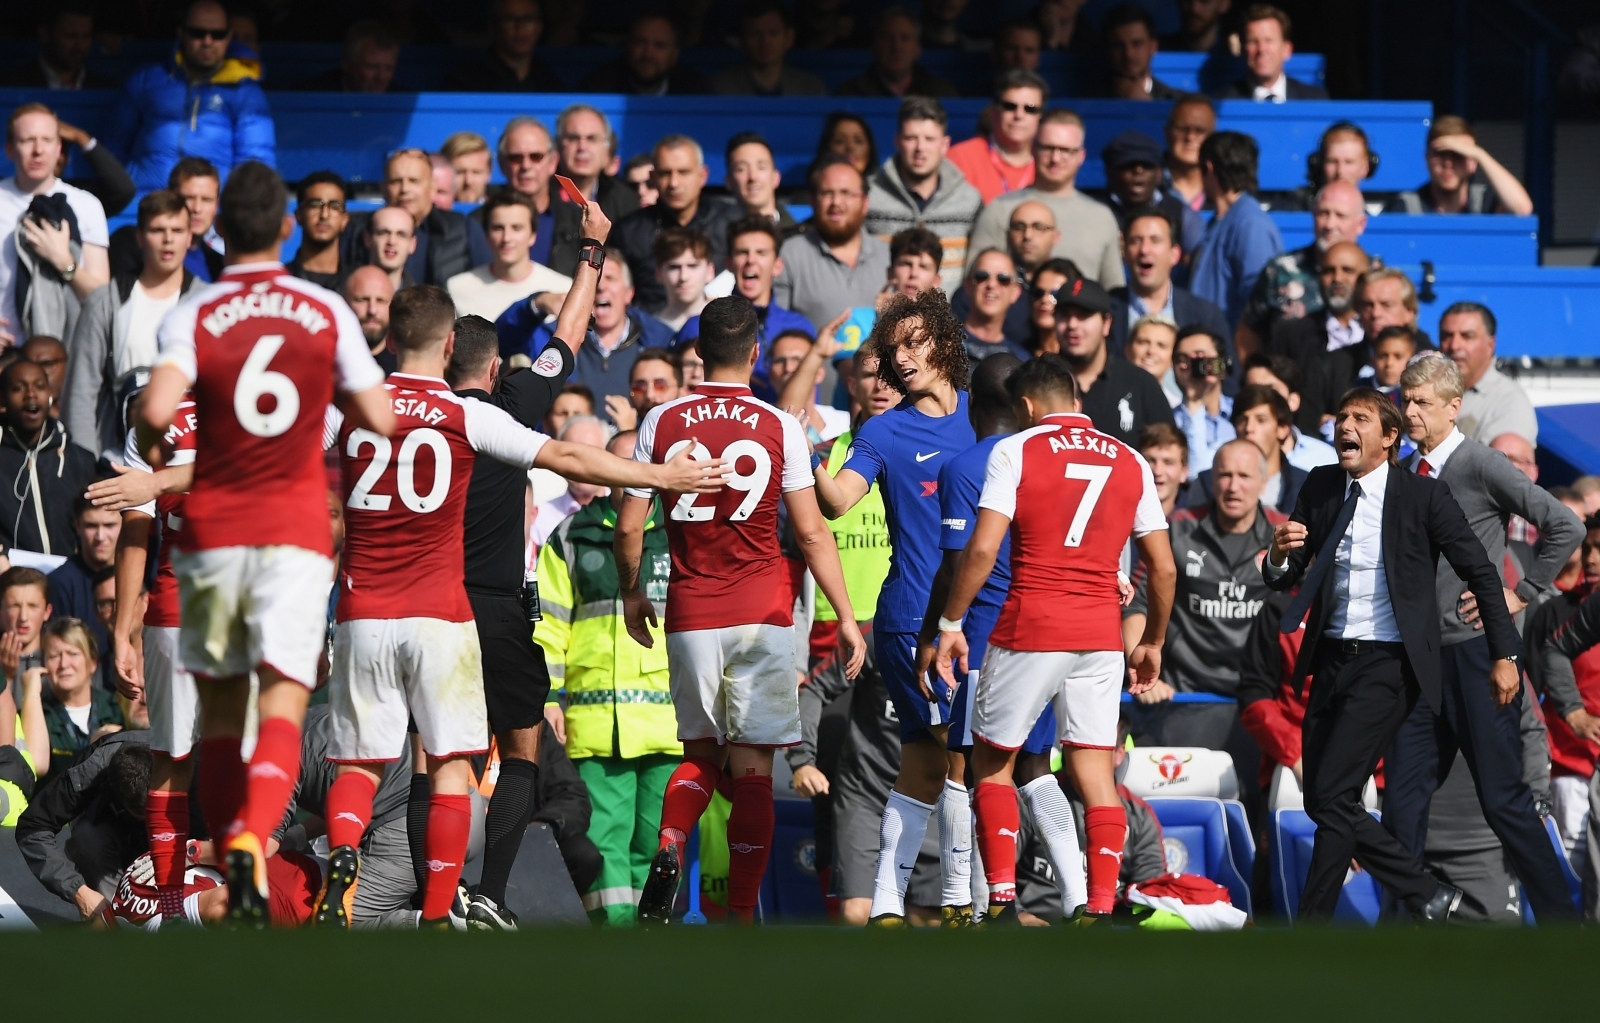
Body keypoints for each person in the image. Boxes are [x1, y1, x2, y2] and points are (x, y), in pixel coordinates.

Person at [320, 284, 720, 930]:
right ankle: (446, 906)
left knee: (364, 762)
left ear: (389, 341)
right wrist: (658, 476)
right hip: (444, 610)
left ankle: (343, 853)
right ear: (451, 345)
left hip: (363, 610)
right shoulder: (470, 416)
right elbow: (565, 450)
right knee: (461, 762)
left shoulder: (350, 409)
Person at [131, 161, 396, 926]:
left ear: (219, 230)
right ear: (286, 225)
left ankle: (220, 848)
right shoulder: (322, 309)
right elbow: (377, 415)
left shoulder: (198, 310)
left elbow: (153, 411)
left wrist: (158, 446)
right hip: (294, 530)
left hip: (213, 531)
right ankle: (250, 839)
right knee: (283, 699)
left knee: (219, 711)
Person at [621, 297, 865, 925]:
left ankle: (672, 841)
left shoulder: (660, 422)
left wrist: (631, 591)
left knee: (700, 757)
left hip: (692, 610)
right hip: (761, 613)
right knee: (754, 770)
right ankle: (741, 914)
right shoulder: (780, 424)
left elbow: (628, 526)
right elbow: (811, 534)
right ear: (756, 352)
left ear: (697, 352)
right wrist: (843, 616)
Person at [1261, 386, 1521, 922]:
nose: (1344, 427)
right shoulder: (1321, 484)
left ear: (1390, 437)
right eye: (1340, 418)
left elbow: (1480, 572)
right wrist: (1277, 557)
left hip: (1390, 665)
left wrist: (1505, 654)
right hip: (1331, 658)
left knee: (1332, 795)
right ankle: (1422, 891)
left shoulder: (1424, 497)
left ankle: (1320, 924)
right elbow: (1289, 570)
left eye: (1360, 419)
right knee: (1326, 803)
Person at [932, 354, 1174, 923]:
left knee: (992, 762)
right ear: (1076, 399)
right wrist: (1154, 642)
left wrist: (949, 624)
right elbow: (1162, 569)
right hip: (1099, 636)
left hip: (1031, 625)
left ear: (1026, 406)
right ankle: (1097, 905)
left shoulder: (1015, 450)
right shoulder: (1131, 459)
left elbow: (984, 549)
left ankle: (999, 899)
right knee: (1094, 770)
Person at [1387, 354, 1582, 924]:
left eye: (1424, 402)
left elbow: (1564, 525)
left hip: (1477, 655)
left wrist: (1521, 594)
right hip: (1417, 662)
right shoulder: (1401, 474)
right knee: (1402, 805)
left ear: (1455, 407)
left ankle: (1561, 921)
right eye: (1407, 400)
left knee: (1503, 799)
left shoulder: (1480, 464)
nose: (1412, 412)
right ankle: (1395, 936)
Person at [803, 289, 971, 925]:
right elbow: (838, 501)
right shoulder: (884, 429)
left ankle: (894, 904)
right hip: (908, 618)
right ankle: (958, 901)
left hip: (976, 614)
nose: (902, 360)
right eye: (892, 350)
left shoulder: (984, 419)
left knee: (926, 766)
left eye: (915, 344)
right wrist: (811, 454)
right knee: (959, 755)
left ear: (945, 343)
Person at [919, 354, 1090, 925]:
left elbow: (957, 564)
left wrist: (934, 632)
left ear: (973, 402)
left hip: (984, 634)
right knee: (1037, 766)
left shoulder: (966, 467)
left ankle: (964, 901)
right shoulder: (1052, 462)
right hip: (1050, 631)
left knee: (963, 767)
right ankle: (1081, 897)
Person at [534, 427, 680, 925]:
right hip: (596, 726)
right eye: (617, 467)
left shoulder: (681, 533)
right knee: (605, 845)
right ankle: (618, 941)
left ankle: (652, 944)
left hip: (671, 726)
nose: (628, 479)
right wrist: (550, 697)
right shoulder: (571, 536)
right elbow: (548, 625)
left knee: (658, 844)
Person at [1126, 438, 1278, 762]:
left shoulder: (1285, 536)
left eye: (1244, 476)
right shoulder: (1179, 529)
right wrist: (1141, 666)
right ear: (1210, 480)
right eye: (1224, 475)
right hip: (1184, 701)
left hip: (1257, 703)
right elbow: (1136, 604)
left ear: (1264, 482)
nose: (1233, 487)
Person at [63, 192, 201, 465]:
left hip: (189, 464)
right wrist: (85, 465)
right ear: (139, 237)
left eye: (177, 230)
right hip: (116, 462)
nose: (168, 239)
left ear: (190, 237)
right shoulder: (105, 301)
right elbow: (81, 391)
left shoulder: (206, 303)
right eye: (157, 230)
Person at [103, 1, 275, 190]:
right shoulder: (146, 79)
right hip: (147, 203)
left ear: (229, 37)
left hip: (209, 209)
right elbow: (114, 147)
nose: (207, 41)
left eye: (217, 35)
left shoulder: (246, 93)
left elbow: (255, 166)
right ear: (181, 33)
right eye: (197, 33)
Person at [498, 250, 675, 425]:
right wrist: (535, 304)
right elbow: (503, 342)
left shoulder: (658, 339)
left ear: (629, 293)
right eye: (594, 280)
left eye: (610, 278)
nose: (601, 286)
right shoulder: (554, 337)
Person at [965, 109, 1124, 288]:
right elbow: (972, 286)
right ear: (1033, 149)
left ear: (1081, 156)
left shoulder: (1101, 218)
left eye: (1066, 150)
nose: (1055, 158)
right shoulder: (999, 210)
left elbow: (1114, 293)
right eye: (1048, 148)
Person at [3, 103, 111, 348]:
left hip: (68, 356)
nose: (38, 150)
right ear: (9, 149)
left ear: (59, 147)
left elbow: (102, 299)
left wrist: (64, 261)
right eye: (27, 140)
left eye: (47, 140)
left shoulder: (87, 206)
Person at [864, 98, 982, 294]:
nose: (920, 148)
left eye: (929, 139)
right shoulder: (868, 194)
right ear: (897, 142)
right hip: (880, 317)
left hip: (948, 318)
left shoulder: (969, 200)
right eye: (911, 138)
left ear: (945, 145)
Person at [689, 217, 813, 400]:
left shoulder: (800, 327)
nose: (751, 260)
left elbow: (810, 395)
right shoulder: (698, 326)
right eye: (742, 252)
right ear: (729, 263)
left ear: (778, 265)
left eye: (761, 253)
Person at [613, 136, 739, 315]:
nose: (674, 183)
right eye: (665, 173)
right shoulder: (628, 232)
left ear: (702, 175)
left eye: (683, 172)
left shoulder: (732, 223)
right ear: (653, 178)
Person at [1239, 181, 1368, 356]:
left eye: (1340, 215)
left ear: (1361, 224)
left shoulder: (1375, 275)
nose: (1330, 225)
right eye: (1323, 213)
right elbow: (1248, 332)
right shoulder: (1280, 270)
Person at [341, 149, 492, 290]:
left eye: (414, 181)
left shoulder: (464, 230)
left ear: (432, 187)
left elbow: (485, 286)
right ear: (383, 187)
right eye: (396, 181)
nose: (405, 189)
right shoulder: (358, 230)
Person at [1054, 273, 1176, 448]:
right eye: (1064, 315)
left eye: (1083, 315)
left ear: (1106, 323)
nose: (1072, 324)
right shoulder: (1039, 382)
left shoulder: (1141, 385)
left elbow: (1167, 454)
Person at [1262, 241, 1372, 431]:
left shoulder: (1381, 335)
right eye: (1328, 271)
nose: (1337, 278)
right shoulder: (1289, 334)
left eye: (1347, 270)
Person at [774, 156, 892, 335]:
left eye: (846, 193)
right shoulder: (790, 254)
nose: (836, 202)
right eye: (827, 193)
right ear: (812, 200)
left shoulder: (890, 256)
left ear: (865, 203)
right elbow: (775, 329)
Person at [1189, 131, 1283, 332]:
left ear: (1209, 168)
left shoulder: (1251, 224)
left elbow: (1258, 301)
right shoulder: (1219, 222)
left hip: (1229, 355)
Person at [0, 359, 95, 555]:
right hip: (11, 579)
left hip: (69, 578)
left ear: (50, 394)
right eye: (18, 388)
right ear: (3, 400)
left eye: (40, 386)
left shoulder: (80, 460)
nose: (31, 394)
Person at [1108, 208, 1230, 358]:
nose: (1145, 250)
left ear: (1175, 254)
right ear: (1124, 253)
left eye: (1155, 240)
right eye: (1136, 241)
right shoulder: (1105, 312)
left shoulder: (1206, 316)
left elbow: (1227, 374)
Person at [448, 193, 573, 323]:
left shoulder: (562, 287)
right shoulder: (458, 289)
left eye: (516, 228)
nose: (506, 238)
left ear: (533, 235)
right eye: (498, 228)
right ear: (486, 235)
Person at [551, 105, 642, 275]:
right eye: (573, 138)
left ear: (607, 149)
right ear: (558, 146)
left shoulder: (626, 200)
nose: (582, 147)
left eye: (592, 139)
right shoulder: (541, 197)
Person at [1386, 115, 1534, 217]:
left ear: (1473, 162)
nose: (1448, 163)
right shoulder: (1406, 206)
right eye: (1441, 154)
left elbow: (1522, 209)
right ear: (1427, 159)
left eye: (1458, 155)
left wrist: (1481, 155)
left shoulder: (1484, 201)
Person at [1192, 383, 1307, 514]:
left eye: (1261, 420)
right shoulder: (1206, 483)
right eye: (1243, 420)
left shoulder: (1306, 485)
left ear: (1282, 429)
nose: (1249, 428)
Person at [1438, 302, 1538, 447]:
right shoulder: (1427, 392)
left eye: (1467, 336)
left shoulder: (1509, 401)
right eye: (1447, 336)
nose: (1454, 345)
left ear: (1490, 345)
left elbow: (1499, 466)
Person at [1099, 133, 1205, 260]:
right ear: (1110, 171)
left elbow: (1200, 263)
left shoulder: (1181, 214)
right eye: (1128, 165)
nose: (1138, 171)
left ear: (1159, 173)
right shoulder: (1093, 212)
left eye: (1147, 165)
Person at [947, 70, 1046, 204]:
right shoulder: (959, 157)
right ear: (994, 112)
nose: (1019, 115)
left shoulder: (1049, 162)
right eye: (1010, 106)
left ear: (1039, 118)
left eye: (1030, 109)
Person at [39, 617, 121, 761]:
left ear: (93, 662)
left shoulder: (116, 708)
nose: (64, 664)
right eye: (54, 656)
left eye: (73, 654)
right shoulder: (38, 715)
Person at [45, 494, 119, 651]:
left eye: (109, 525)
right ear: (77, 525)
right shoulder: (59, 583)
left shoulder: (142, 573)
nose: (100, 536)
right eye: (91, 526)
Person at [1210, 4, 1329, 100]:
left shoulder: (1315, 99)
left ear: (1287, 49)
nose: (1261, 49)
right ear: (1242, 49)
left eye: (1269, 41)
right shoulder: (1222, 101)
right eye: (1253, 41)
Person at [444, 0, 564, 93]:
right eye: (510, 19)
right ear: (493, 28)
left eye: (528, 20)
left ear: (539, 27)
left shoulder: (548, 80)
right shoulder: (465, 81)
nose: (520, 28)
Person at [713, 1, 828, 96]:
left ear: (788, 37)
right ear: (742, 40)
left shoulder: (810, 88)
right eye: (754, 34)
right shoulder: (720, 87)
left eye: (773, 33)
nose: (765, 42)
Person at [837, 8, 958, 98]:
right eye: (887, 37)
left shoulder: (941, 93)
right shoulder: (850, 93)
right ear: (873, 47)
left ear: (917, 49)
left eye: (905, 38)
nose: (896, 46)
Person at [578, 13, 710, 95]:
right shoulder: (598, 87)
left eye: (659, 46)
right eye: (640, 43)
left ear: (674, 55)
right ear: (627, 47)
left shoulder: (694, 89)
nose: (648, 54)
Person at [1171, 326, 1234, 480]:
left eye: (1200, 358)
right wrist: (1194, 403)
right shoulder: (1169, 421)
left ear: (1222, 365)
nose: (1191, 367)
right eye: (1182, 360)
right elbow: (1192, 474)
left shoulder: (1244, 413)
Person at [2, 6, 114, 90]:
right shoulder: (11, 85)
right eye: (71, 36)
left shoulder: (106, 88)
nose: (80, 46)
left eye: (86, 36)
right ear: (45, 35)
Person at [770, 329, 851, 443]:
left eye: (797, 360)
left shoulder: (847, 423)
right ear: (770, 375)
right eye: (779, 361)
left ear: (820, 373)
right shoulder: (759, 422)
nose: (788, 368)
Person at [724, 135, 803, 240]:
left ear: (776, 178)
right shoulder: (716, 238)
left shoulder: (801, 237)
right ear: (728, 182)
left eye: (761, 167)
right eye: (741, 169)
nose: (752, 177)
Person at [961, 250, 1030, 364]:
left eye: (1003, 279)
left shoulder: (1022, 362)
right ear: (967, 285)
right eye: (981, 276)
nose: (991, 285)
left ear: (1015, 292)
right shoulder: (939, 343)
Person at [1099, 4, 1181, 100]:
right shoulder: (1089, 100)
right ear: (1108, 49)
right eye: (1118, 46)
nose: (1128, 54)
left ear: (1153, 46)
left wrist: (1147, 103)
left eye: (1137, 44)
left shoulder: (1175, 101)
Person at [295, 19, 400, 93]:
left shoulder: (404, 101)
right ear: (346, 62)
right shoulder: (312, 95)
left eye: (389, 68)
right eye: (371, 67)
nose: (381, 77)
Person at [284, 171, 349, 290]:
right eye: (315, 205)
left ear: (344, 220)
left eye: (334, 206)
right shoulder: (282, 280)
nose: (324, 215)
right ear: (298, 215)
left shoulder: (356, 283)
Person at [166, 157, 224, 284]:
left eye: (206, 200)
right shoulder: (138, 252)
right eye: (189, 198)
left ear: (216, 205)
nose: (197, 209)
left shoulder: (221, 267)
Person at [653, 229, 716, 334]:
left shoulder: (727, 325)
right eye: (674, 267)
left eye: (693, 266)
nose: (683, 277)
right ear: (659, 274)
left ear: (710, 271)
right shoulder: (648, 330)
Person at [1163, 94, 1216, 212]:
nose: (1190, 137)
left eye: (1200, 131)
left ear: (1212, 138)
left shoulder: (1225, 188)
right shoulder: (1147, 185)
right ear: (1167, 132)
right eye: (1183, 129)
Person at [1127, 314, 1181, 406]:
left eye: (1161, 345)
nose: (1151, 351)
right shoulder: (1107, 398)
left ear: (1174, 357)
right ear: (1128, 350)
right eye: (1144, 342)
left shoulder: (1175, 409)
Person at [1139, 421, 1190, 517]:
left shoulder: (1197, 522)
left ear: (1184, 472)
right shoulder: (1121, 516)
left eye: (1168, 463)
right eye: (1150, 461)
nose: (1157, 471)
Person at [363, 206, 417, 293]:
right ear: (367, 239)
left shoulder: (420, 303)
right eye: (383, 233)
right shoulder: (341, 298)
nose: (392, 241)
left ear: (413, 244)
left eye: (401, 234)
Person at [813, 112, 879, 180]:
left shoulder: (883, 189)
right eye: (840, 141)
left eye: (858, 141)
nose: (850, 147)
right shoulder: (815, 188)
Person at [1163, 0, 1233, 55]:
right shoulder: (1158, 53)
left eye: (1204, 1)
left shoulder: (1236, 56)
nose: (1194, 9)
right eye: (1187, 0)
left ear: (1224, 4)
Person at [443, 132, 493, 206]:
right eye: (459, 172)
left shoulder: (504, 214)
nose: (468, 181)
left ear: (489, 174)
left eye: (476, 172)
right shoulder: (426, 215)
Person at [1370, 325, 1418, 398]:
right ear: (1373, 360)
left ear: (1413, 360)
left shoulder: (1416, 396)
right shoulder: (1358, 390)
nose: (1389, 363)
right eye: (1383, 356)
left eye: (1398, 357)